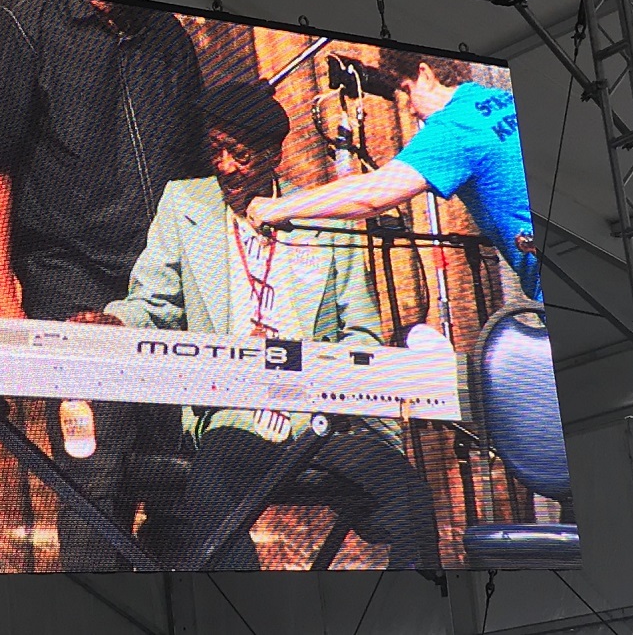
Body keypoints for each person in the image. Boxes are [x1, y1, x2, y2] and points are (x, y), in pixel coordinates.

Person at [75, 80, 439, 570]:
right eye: (216, 150)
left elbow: (362, 333)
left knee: (411, 503)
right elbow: (153, 305)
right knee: (213, 528)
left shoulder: (327, 217)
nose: (224, 166)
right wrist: (114, 321)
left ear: (273, 155)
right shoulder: (185, 206)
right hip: (234, 414)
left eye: (240, 155)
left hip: (320, 418)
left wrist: (335, 389)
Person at [0, 0, 206, 570]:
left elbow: (199, 171)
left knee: (186, 482)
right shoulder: (23, 23)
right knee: (97, 483)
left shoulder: (167, 34)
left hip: (165, 285)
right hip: (69, 276)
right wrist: (1, 291)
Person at [246, 51, 542, 301]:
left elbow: (373, 196)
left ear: (425, 75)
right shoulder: (503, 98)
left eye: (406, 90)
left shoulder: (454, 127)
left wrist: (276, 208)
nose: (410, 109)